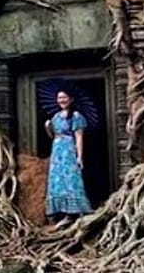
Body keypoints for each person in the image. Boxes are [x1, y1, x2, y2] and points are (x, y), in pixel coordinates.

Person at [44, 88, 93, 228]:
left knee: (71, 180)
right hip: (57, 151)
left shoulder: (76, 116)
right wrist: (47, 127)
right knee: (57, 181)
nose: (62, 100)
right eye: (59, 98)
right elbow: (53, 136)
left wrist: (79, 157)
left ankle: (74, 214)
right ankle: (61, 214)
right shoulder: (56, 116)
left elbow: (79, 137)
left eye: (64, 97)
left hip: (69, 150)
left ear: (71, 99)